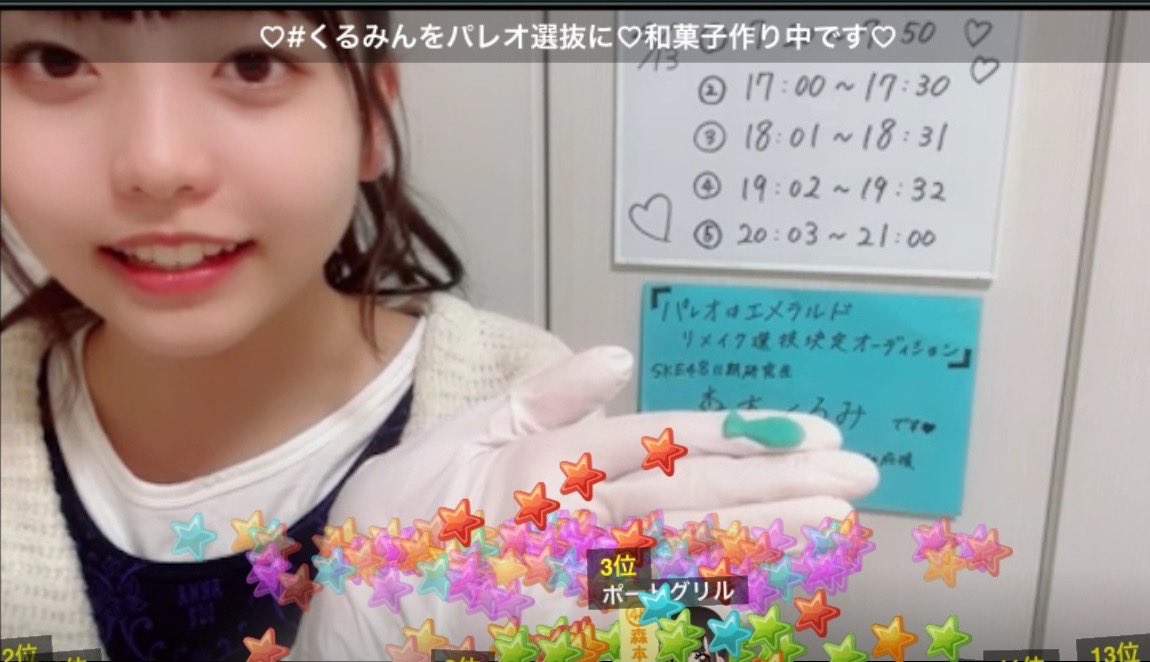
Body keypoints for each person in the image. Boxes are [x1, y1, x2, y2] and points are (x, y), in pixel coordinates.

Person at [0, 9, 880, 661]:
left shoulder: (540, 425)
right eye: (54, 60)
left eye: (253, 63)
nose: (156, 165)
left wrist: (687, 629)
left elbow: (684, 618)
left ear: (372, 120)